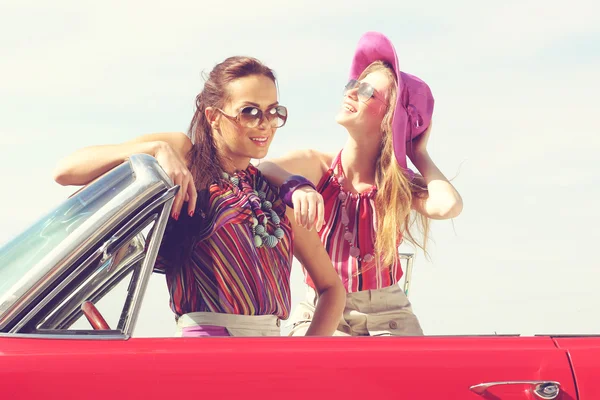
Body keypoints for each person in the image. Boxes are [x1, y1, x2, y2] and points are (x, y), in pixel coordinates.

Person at [53, 56, 345, 337]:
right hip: (205, 349)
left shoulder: (270, 193)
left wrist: (303, 357)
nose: (265, 123)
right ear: (214, 117)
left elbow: (331, 288)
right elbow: (66, 170)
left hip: (270, 353)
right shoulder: (186, 158)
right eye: (250, 112)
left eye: (273, 112)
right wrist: (156, 149)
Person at [257, 32, 463, 336]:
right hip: (322, 309)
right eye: (353, 84)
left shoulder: (395, 186)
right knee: (310, 378)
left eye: (367, 91)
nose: (351, 92)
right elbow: (264, 168)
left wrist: (417, 152)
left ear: (390, 119)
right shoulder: (319, 166)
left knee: (405, 381)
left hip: (389, 314)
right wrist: (296, 186)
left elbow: (448, 205)